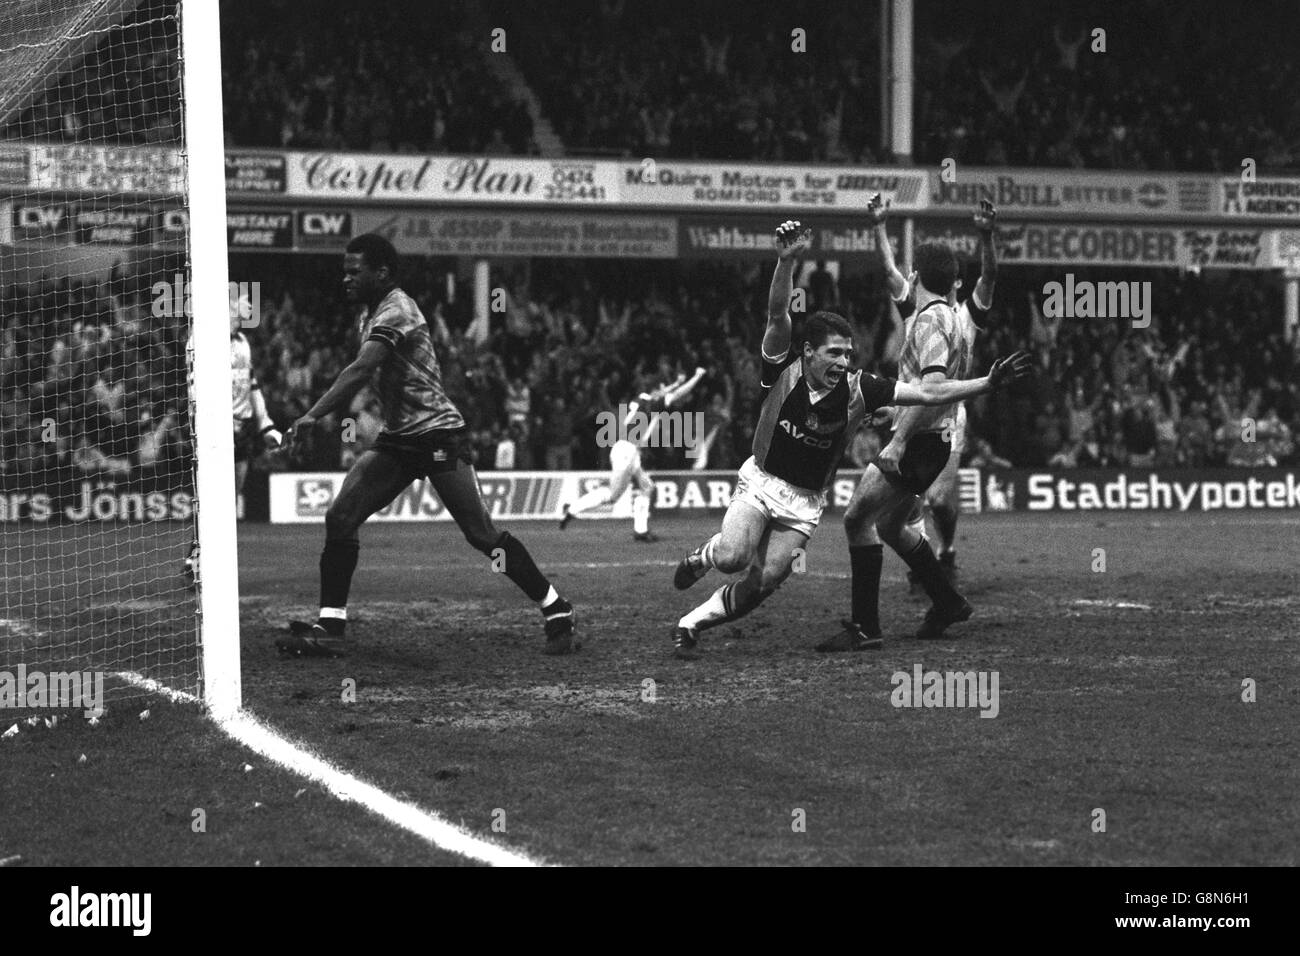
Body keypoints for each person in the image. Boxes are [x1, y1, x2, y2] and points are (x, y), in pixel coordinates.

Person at [670, 220, 1029, 660]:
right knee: (743, 554)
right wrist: (786, 262)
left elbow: (929, 390)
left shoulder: (869, 377)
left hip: (816, 495)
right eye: (834, 353)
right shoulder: (785, 370)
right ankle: (910, 611)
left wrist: (981, 387)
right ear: (808, 353)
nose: (844, 360)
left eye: (848, 353)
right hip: (764, 481)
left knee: (796, 562)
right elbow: (778, 315)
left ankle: (693, 623)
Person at [275, 234, 577, 657]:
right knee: (341, 515)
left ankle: (556, 608)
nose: (345, 279)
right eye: (344, 271)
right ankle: (330, 624)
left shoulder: (397, 310)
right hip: (400, 438)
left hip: (438, 435)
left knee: (481, 534)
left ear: (380, 273)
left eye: (353, 271)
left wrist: (312, 415)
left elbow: (362, 369)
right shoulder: (370, 313)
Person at [822, 203, 1025, 652]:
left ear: (916, 278)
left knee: (857, 519)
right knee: (895, 526)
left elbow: (931, 388)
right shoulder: (944, 318)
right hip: (932, 435)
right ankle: (947, 600)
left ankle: (865, 627)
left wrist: (895, 440)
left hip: (922, 437)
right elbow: (923, 386)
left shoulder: (930, 320)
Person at [183, 293, 282, 588]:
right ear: (226, 304)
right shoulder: (203, 339)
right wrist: (210, 421)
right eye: (244, 300)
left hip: (242, 428)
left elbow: (252, 385)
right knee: (214, 496)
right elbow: (193, 387)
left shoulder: (243, 342)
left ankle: (199, 558)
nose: (250, 305)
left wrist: (266, 426)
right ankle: (197, 558)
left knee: (231, 496)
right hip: (214, 426)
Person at [559, 367, 705, 542]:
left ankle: (641, 531)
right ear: (657, 389)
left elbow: (662, 391)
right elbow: (679, 393)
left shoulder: (640, 399)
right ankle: (572, 509)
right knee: (612, 495)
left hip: (628, 451)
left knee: (647, 487)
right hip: (627, 452)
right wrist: (696, 376)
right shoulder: (654, 403)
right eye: (663, 387)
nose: (665, 391)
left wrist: (675, 383)